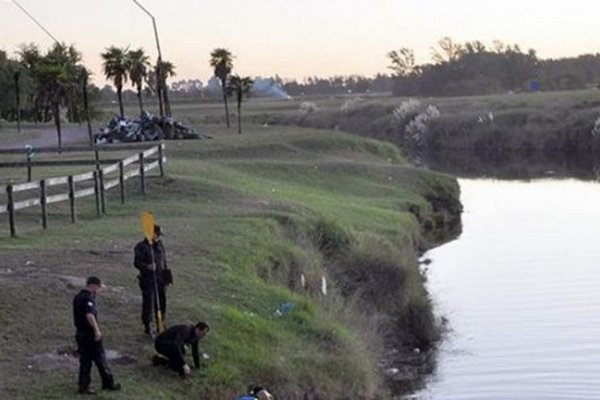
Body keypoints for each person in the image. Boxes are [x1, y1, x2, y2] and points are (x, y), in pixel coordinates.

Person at [72, 276, 121, 395]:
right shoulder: (88, 299)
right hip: (90, 335)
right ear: (92, 286)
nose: (100, 290)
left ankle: (83, 386)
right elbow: (90, 316)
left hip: (80, 334)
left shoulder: (78, 297)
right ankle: (108, 383)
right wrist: (97, 330)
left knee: (85, 361)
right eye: (98, 287)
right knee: (100, 359)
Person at [133, 224, 172, 335]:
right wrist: (147, 267)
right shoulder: (141, 247)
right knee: (148, 303)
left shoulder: (160, 245)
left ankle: (160, 323)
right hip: (148, 280)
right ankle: (147, 325)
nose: (158, 237)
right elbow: (136, 263)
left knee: (162, 302)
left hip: (160, 280)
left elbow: (164, 262)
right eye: (157, 235)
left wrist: (167, 277)